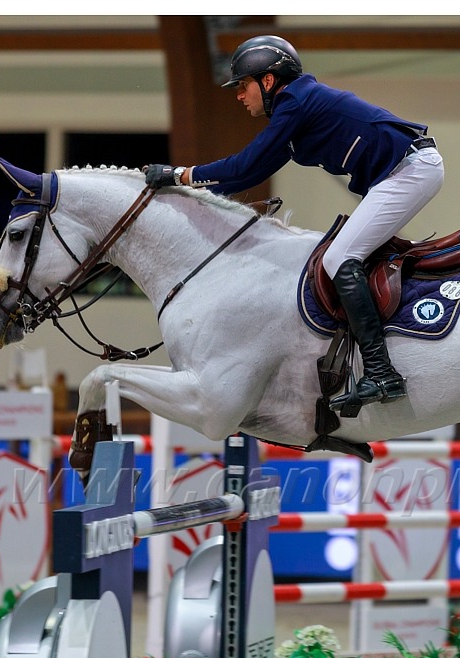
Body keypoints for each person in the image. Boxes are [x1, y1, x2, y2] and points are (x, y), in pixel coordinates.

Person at [145, 35, 444, 410]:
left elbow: (245, 165)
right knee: (344, 255)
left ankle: (382, 372)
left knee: (338, 259)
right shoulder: (296, 108)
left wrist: (180, 175)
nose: (239, 95)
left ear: (267, 81)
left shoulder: (295, 102)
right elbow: (242, 176)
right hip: (403, 171)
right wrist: (186, 187)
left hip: (409, 171)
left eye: (242, 85)